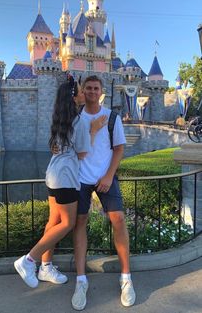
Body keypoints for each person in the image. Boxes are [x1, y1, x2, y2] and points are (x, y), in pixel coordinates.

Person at [14, 76, 106, 288]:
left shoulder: (60, 118)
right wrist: (93, 130)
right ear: (74, 97)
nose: (85, 93)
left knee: (53, 222)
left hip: (53, 174)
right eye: (81, 91)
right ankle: (29, 260)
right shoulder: (80, 121)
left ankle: (45, 267)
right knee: (67, 223)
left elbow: (59, 146)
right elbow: (83, 153)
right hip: (65, 178)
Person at [71, 75, 136, 310]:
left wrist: (108, 175)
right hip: (80, 179)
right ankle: (80, 280)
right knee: (80, 221)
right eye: (87, 87)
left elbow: (119, 149)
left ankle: (126, 278)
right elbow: (72, 149)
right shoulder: (75, 117)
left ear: (101, 92)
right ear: (83, 90)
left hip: (105, 177)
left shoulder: (112, 117)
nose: (91, 91)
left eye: (95, 88)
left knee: (118, 219)